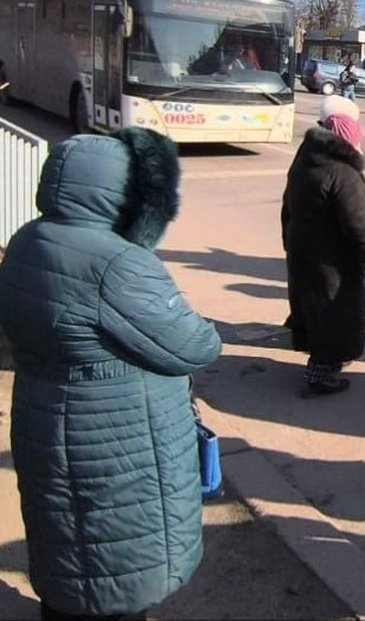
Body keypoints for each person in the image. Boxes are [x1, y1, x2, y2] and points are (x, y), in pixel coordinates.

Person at [0, 129, 222, 620]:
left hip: (46, 422)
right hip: (115, 440)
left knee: (67, 550)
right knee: (112, 571)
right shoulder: (118, 264)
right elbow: (196, 345)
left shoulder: (25, 240)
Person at [283, 96, 365, 394]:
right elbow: (357, 225)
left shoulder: (305, 159)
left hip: (303, 250)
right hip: (334, 260)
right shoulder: (344, 173)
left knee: (313, 309)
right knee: (334, 315)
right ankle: (320, 374)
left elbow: (286, 206)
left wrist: (288, 242)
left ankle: (321, 363)